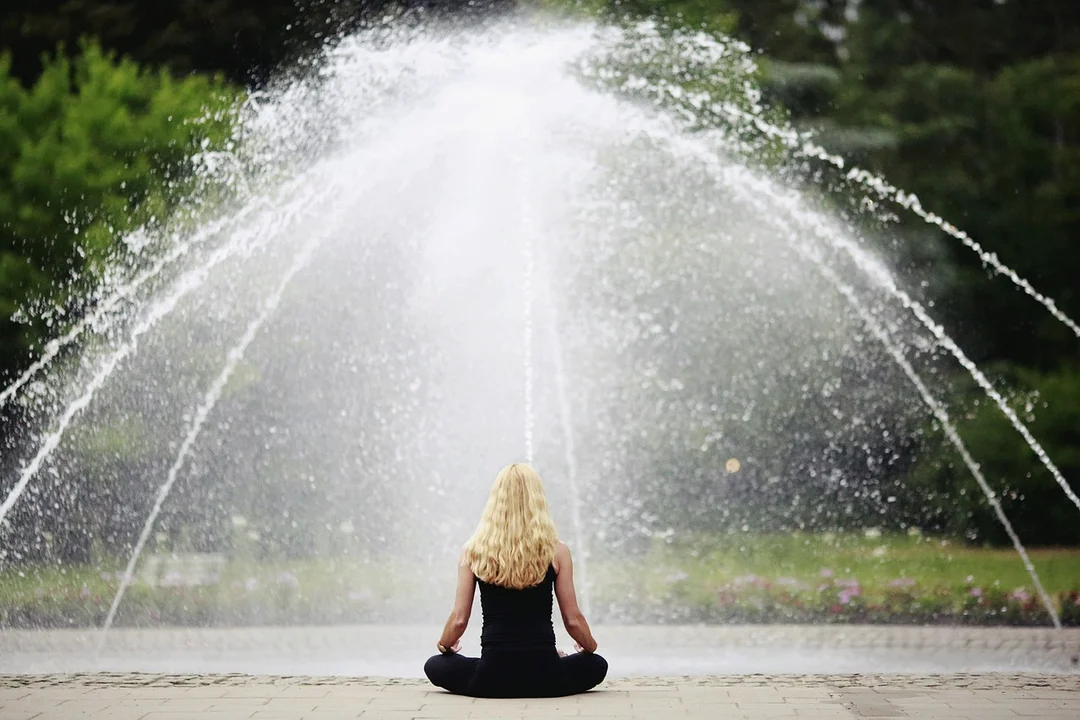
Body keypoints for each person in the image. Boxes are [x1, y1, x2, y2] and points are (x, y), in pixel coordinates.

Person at [423, 463, 607, 698]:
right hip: (548, 677)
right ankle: (556, 662)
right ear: (537, 500)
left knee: (434, 664)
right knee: (597, 664)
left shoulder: (473, 551)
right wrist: (589, 647)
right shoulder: (557, 551)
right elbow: (573, 620)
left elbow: (459, 620)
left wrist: (444, 646)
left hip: (491, 678)